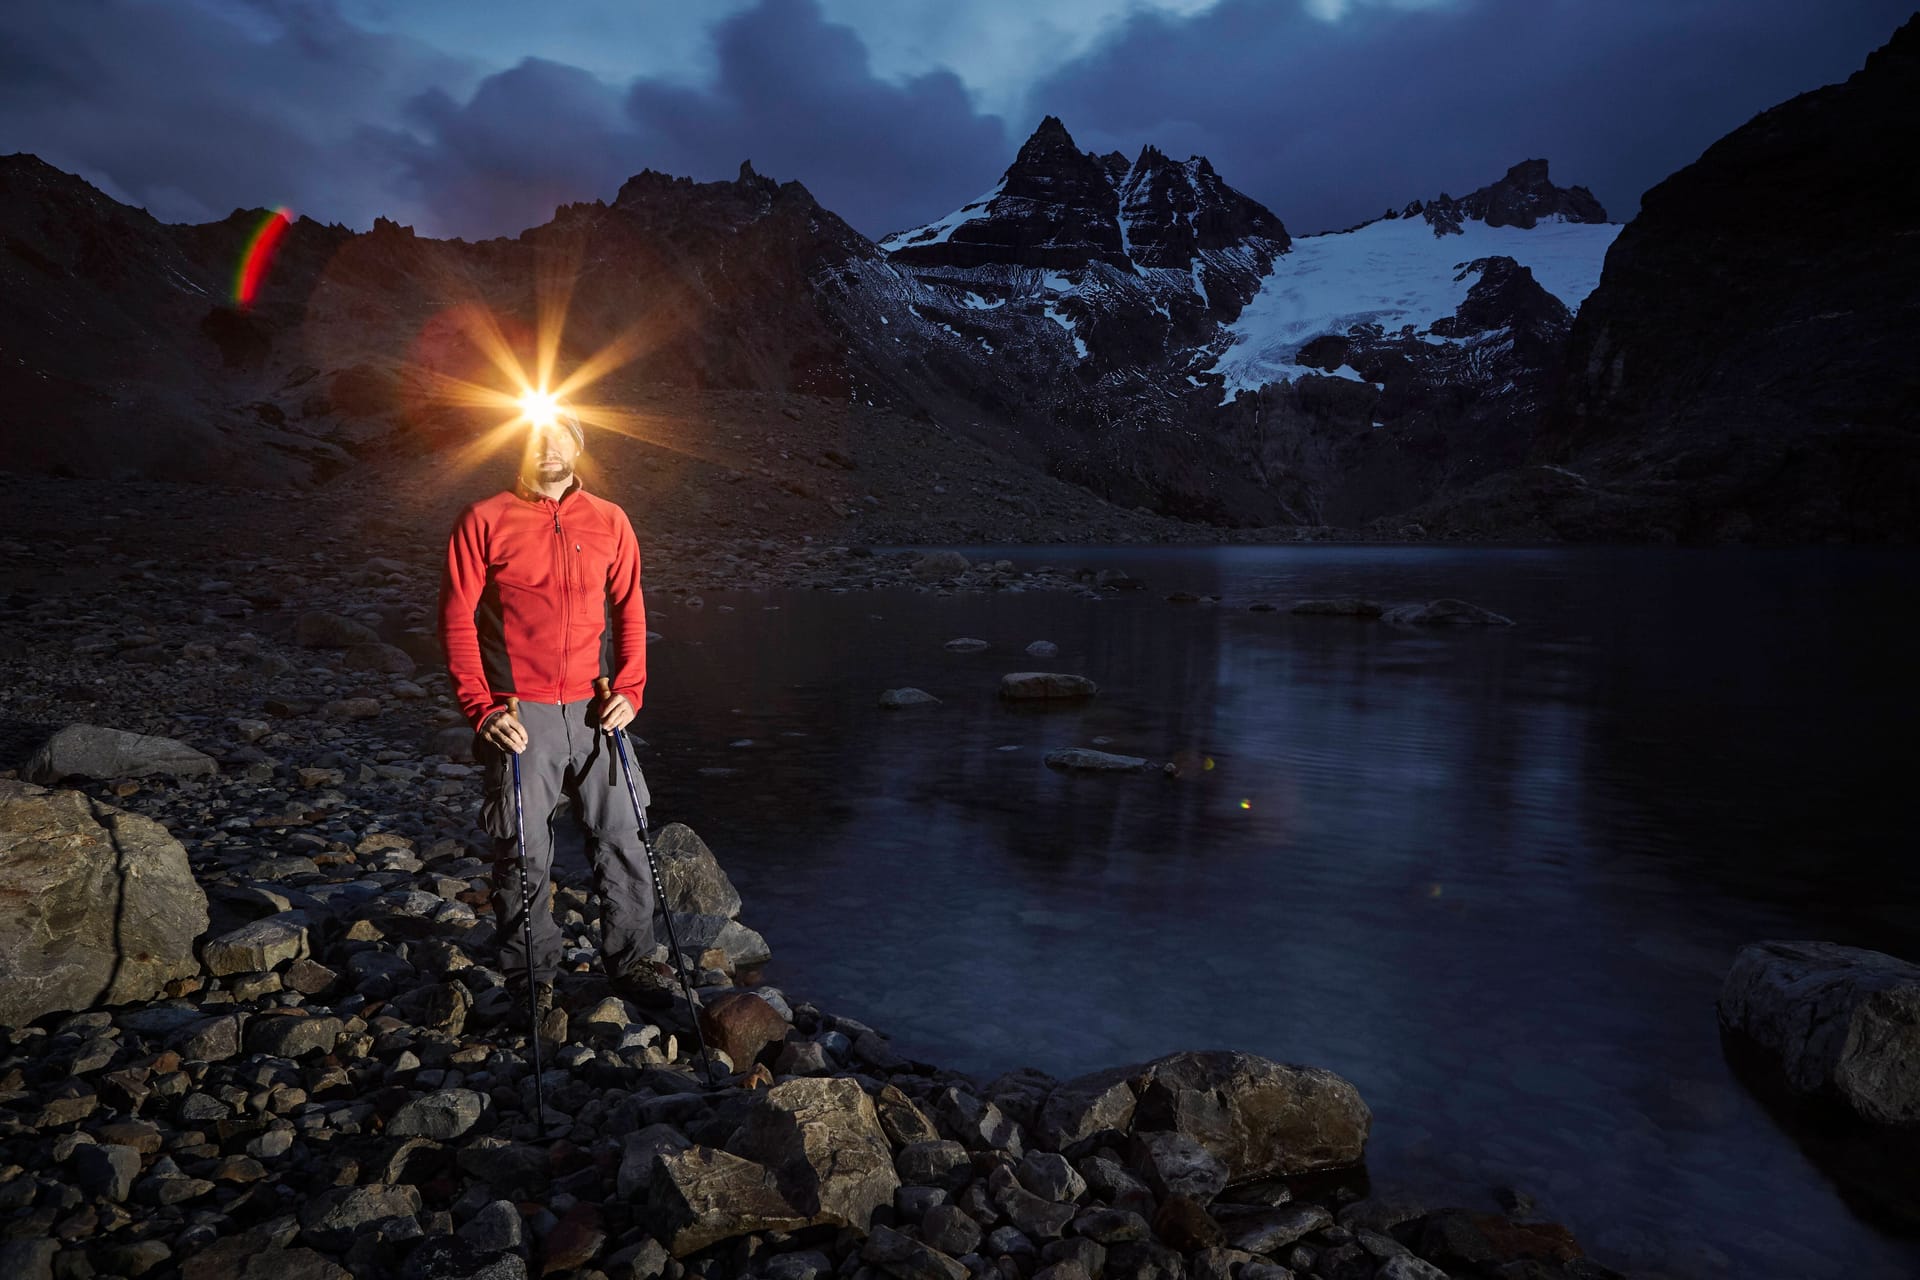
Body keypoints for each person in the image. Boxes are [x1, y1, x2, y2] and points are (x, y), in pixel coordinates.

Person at [437, 405, 676, 1012]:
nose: (546, 446)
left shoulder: (609, 520)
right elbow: (456, 620)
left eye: (558, 435)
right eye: (533, 437)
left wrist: (631, 688)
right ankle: (532, 975)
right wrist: (483, 710)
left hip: (599, 708)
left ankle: (633, 962)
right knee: (523, 846)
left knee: (622, 834)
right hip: (522, 715)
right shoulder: (483, 520)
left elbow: (630, 610)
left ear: (577, 445)